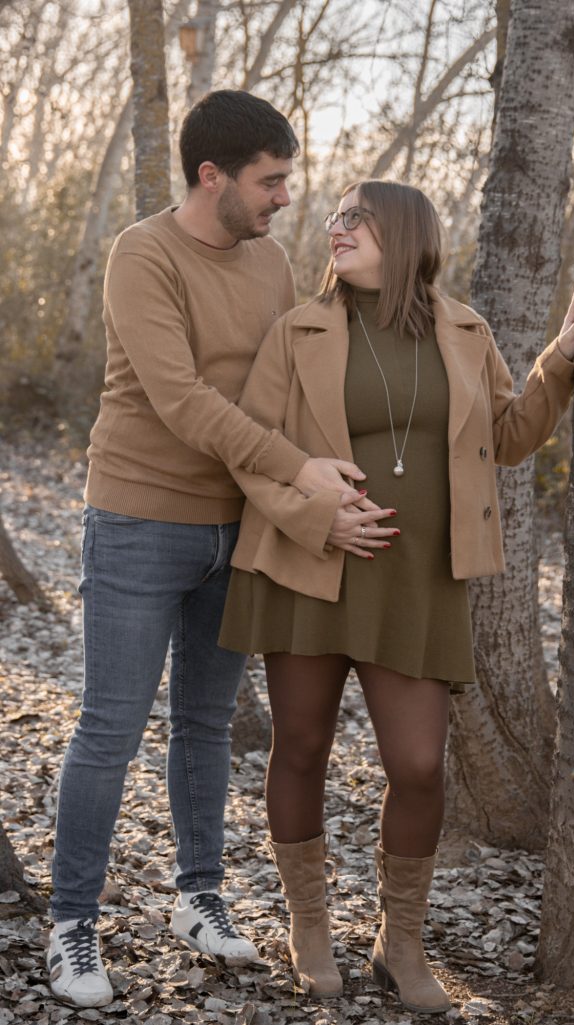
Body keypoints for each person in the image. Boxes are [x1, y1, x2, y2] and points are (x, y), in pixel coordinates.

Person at [218, 180, 574, 1013]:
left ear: (405, 233)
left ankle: (401, 941)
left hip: (420, 580)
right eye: (335, 216)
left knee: (418, 766)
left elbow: (508, 436)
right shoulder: (299, 330)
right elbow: (252, 448)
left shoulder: (464, 331)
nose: (336, 227)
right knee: (300, 746)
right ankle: (309, 927)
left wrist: (559, 359)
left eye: (356, 217)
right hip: (307, 568)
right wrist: (317, 518)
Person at [47, 90, 378, 1010]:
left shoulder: (270, 261)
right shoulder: (142, 254)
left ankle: (198, 896)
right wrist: (299, 470)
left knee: (206, 721)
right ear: (211, 176)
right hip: (139, 519)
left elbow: (291, 382)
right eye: (270, 181)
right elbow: (183, 399)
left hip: (239, 526)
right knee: (110, 727)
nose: (284, 198)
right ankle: (70, 921)